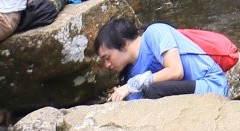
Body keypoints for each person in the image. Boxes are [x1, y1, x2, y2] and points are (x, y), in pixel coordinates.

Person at [94, 16, 228, 98]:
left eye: (108, 57)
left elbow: (176, 71)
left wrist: (133, 85)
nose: (107, 65)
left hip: (211, 86)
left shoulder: (155, 33)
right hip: (187, 95)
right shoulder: (129, 73)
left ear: (123, 44)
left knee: (153, 90)